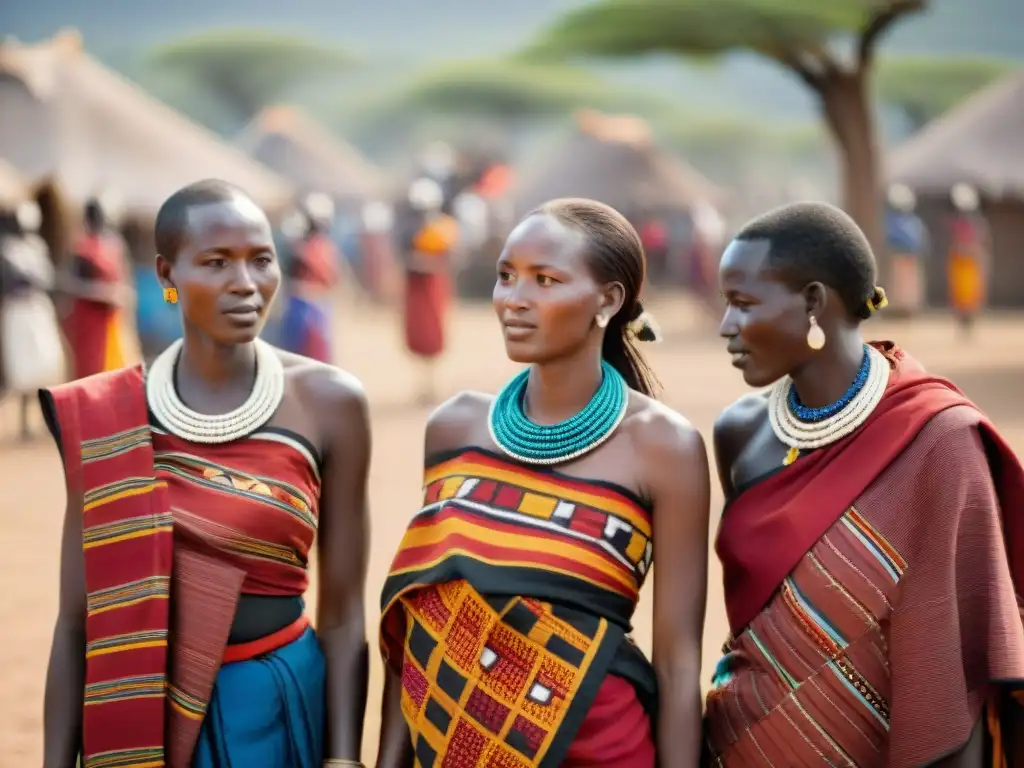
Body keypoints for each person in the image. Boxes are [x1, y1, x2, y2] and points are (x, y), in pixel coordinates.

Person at [39, 179, 372, 768]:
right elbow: (75, 623)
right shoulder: (105, 415)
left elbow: (344, 615)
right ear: (167, 275)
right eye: (216, 263)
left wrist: (343, 759)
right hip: (143, 716)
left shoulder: (331, 404)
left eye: (261, 260)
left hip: (275, 709)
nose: (245, 284)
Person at [376, 198, 711, 767]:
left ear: (608, 300)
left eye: (545, 280)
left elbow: (679, 665)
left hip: (598, 746)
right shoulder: (453, 428)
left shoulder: (663, 447)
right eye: (506, 276)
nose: (514, 299)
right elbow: (421, 618)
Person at [707, 201, 1024, 766]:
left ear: (812, 302)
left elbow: (958, 661)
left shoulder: (939, 440)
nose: (725, 326)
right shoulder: (739, 432)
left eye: (742, 304)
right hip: (743, 743)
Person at [0, 200, 64, 440]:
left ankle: (42, 420)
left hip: (37, 310)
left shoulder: (37, 247)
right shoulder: (7, 250)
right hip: (17, 311)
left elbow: (48, 278)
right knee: (23, 365)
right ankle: (24, 423)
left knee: (43, 363)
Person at [399, 177, 460, 405]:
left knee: (433, 332)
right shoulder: (409, 229)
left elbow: (450, 259)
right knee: (418, 334)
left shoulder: (443, 228)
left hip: (433, 286)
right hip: (417, 287)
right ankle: (424, 385)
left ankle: (433, 385)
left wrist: (426, 263)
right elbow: (405, 256)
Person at [59, 196, 133, 380]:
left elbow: (124, 280)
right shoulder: (81, 248)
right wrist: (101, 293)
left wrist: (120, 295)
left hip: (110, 319)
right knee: (89, 373)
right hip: (87, 320)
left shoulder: (114, 245)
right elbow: (70, 283)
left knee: (114, 371)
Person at [280, 193, 342, 363]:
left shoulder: (322, 247)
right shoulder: (300, 245)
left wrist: (302, 252)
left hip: (315, 308)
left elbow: (328, 277)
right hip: (298, 305)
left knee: (315, 356)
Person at [946, 183, 990, 336]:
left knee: (971, 293)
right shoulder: (957, 223)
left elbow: (980, 243)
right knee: (960, 293)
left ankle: (969, 322)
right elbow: (953, 242)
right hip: (959, 261)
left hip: (971, 262)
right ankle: (963, 322)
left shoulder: (977, 223)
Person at [884, 183, 928, 317]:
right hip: (899, 255)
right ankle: (899, 309)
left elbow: (920, 238)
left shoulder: (912, 221)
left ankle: (908, 309)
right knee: (900, 284)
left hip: (909, 255)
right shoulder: (892, 219)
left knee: (908, 284)